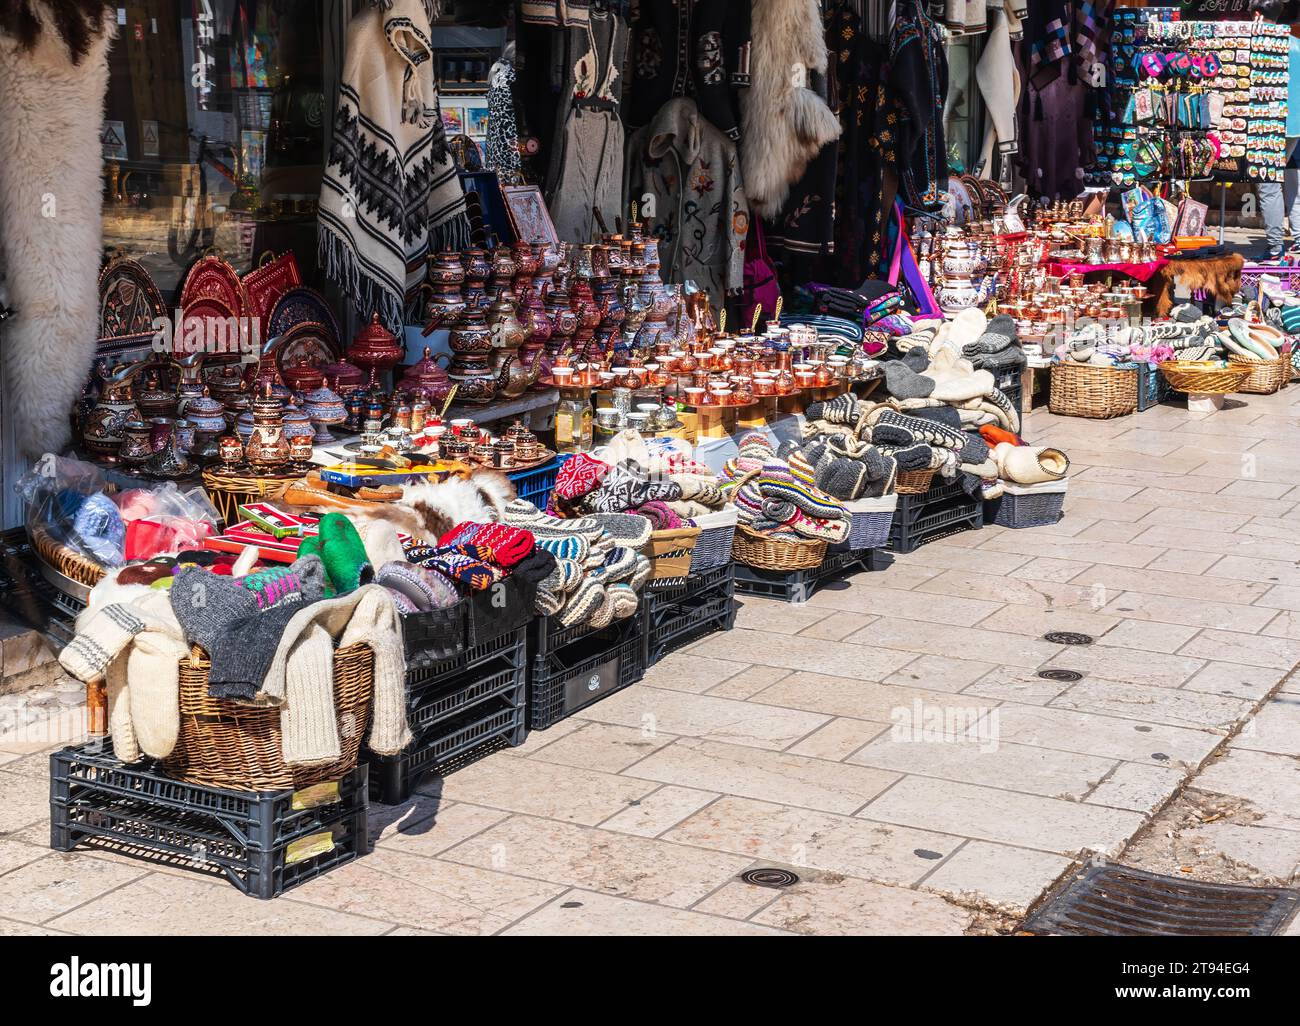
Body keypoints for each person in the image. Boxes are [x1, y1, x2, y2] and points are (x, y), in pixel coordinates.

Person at [1253, 0, 1300, 259]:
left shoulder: (1259, 44)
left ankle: (1274, 249)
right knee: (1287, 180)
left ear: (1258, 15)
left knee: (1268, 184)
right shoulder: (1296, 45)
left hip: (1269, 125)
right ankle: (1293, 240)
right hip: (1295, 126)